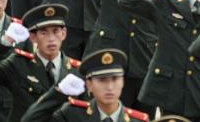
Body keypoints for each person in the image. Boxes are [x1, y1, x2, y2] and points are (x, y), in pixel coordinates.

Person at [0, 4, 81, 122]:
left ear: (63, 33)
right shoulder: (19, 64)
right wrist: (5, 42)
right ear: (33, 37)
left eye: (56, 32)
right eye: (44, 33)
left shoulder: (77, 71)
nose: (51, 39)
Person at [18, 49, 151, 122]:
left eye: (115, 79)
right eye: (102, 80)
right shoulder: (73, 115)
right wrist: (58, 93)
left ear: (122, 82)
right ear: (89, 84)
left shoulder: (138, 121)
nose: (110, 87)